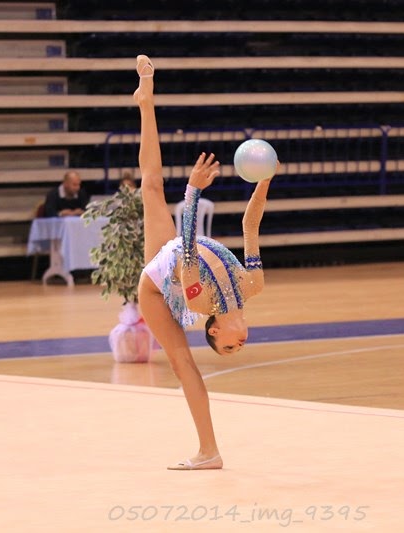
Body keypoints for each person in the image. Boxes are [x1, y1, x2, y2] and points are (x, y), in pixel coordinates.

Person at [133, 55, 275, 470]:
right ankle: (145, 100)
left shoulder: (198, 300)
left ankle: (208, 452)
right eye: (236, 347)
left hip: (156, 284)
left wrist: (193, 191)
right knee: (151, 185)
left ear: (213, 329)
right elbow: (250, 224)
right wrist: (265, 181)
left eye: (227, 346)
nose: (237, 346)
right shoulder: (252, 285)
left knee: (183, 364)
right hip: (172, 252)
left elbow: (190, 249)